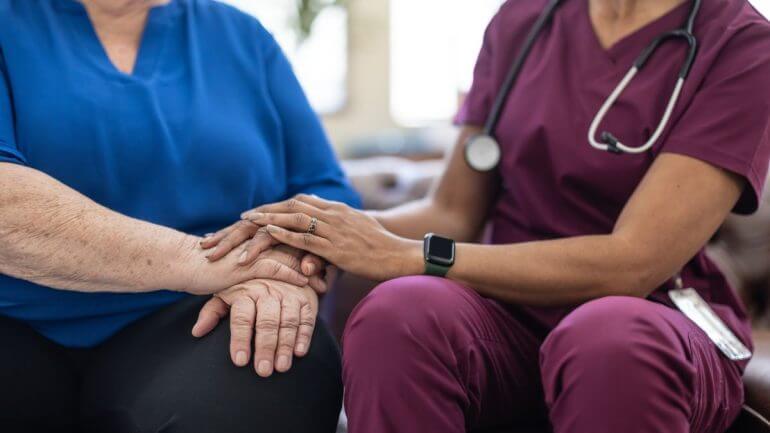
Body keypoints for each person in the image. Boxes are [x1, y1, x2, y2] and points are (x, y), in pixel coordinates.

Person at [207, 0, 770, 432]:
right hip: (508, 318)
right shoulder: (526, 19)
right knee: (399, 312)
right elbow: (454, 209)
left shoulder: (741, 46)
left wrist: (411, 255)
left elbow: (633, 263)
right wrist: (316, 233)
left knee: (607, 339)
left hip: (650, 316)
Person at [0, 0, 359, 432]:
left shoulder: (243, 37)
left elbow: (326, 191)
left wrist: (285, 263)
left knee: (280, 363)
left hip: (199, 316)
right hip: (17, 320)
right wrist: (215, 262)